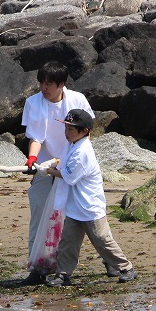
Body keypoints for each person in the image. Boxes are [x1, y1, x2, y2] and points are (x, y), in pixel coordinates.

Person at [43, 109, 137, 287]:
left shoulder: (83, 152)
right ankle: (63, 274)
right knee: (67, 242)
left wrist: (46, 171)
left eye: (71, 129)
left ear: (84, 131)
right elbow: (63, 163)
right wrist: (52, 164)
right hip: (74, 206)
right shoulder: (72, 145)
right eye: (66, 127)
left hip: (89, 205)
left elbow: (68, 176)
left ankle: (126, 268)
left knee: (102, 240)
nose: (66, 132)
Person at [19, 61, 94, 285]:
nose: (44, 88)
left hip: (71, 165)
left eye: (49, 84)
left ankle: (109, 262)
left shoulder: (78, 100)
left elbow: (86, 132)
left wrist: (69, 158)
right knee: (39, 215)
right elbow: (36, 138)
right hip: (45, 166)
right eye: (41, 83)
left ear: (61, 84)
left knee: (80, 218)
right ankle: (37, 268)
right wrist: (32, 159)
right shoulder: (33, 103)